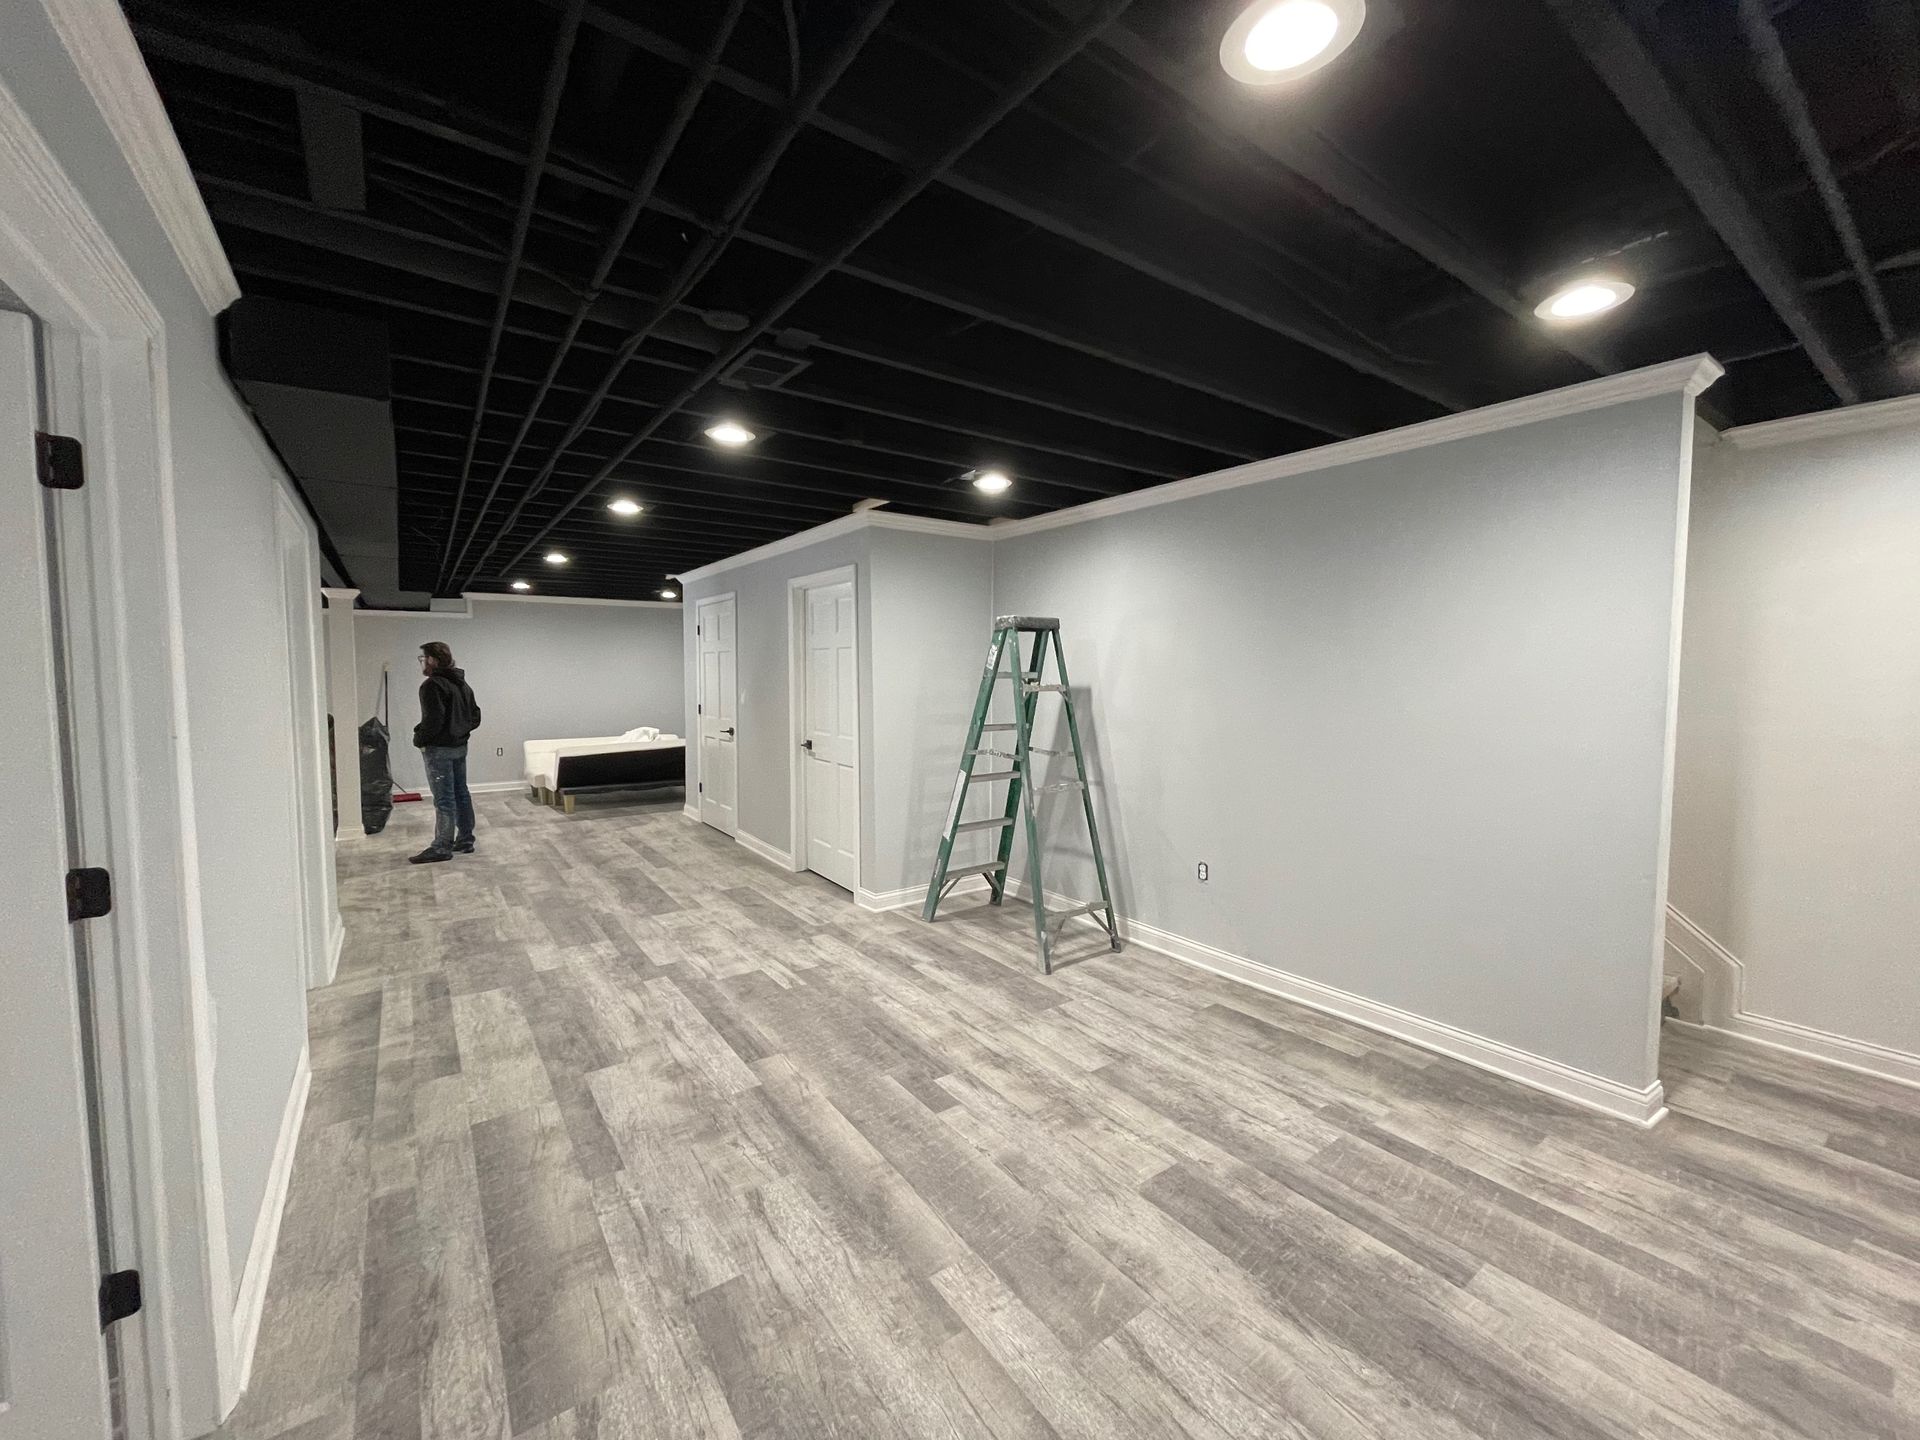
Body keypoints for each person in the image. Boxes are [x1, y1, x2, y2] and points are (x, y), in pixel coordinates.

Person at [409, 641, 481, 864]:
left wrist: (419, 738)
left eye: (423, 659)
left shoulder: (432, 686)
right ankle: (466, 839)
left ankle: (442, 846)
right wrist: (459, 732)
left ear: (432, 660)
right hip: (459, 747)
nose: (422, 663)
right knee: (461, 792)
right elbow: (475, 717)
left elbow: (433, 721)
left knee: (444, 799)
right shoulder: (462, 684)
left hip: (439, 750)